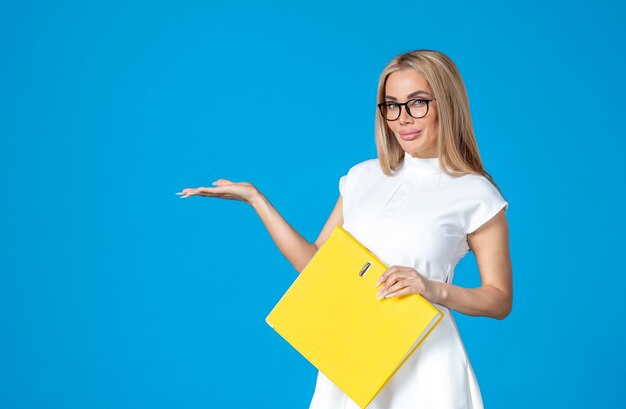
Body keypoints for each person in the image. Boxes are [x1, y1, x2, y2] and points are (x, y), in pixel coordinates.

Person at [177, 49, 512, 409]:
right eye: (391, 105)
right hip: (354, 358)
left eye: (418, 103)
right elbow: (317, 266)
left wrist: (433, 289)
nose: (403, 119)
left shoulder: (475, 192)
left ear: (446, 103)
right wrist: (257, 200)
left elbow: (499, 299)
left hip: (426, 366)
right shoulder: (362, 177)